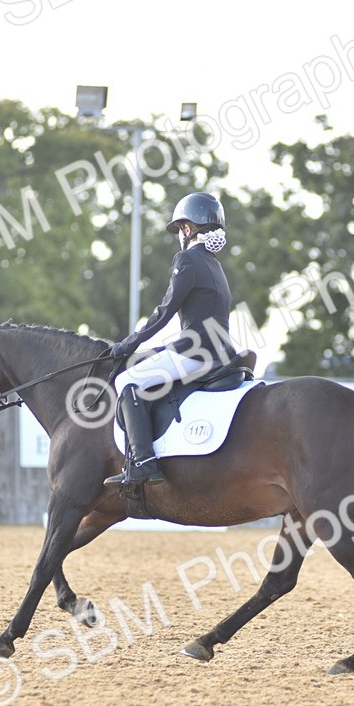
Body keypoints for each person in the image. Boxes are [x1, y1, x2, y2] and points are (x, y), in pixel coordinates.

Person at [104, 192, 236, 488]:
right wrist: (155, 348)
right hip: (220, 351)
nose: (180, 234)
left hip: (196, 353)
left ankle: (142, 463)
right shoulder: (214, 265)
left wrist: (129, 344)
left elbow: (165, 311)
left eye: (181, 228)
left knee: (126, 382)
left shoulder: (187, 259)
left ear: (189, 228)